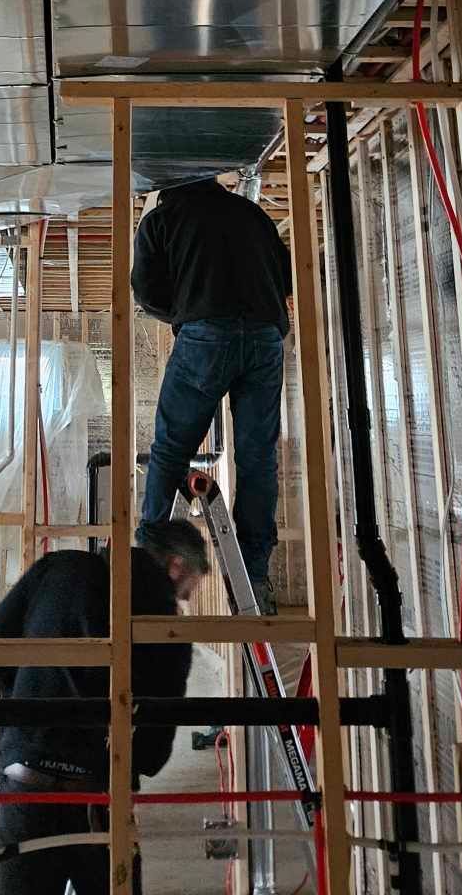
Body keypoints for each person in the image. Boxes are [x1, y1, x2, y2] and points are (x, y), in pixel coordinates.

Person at [0, 521, 209, 893]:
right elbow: (154, 748)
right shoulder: (165, 621)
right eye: (190, 585)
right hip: (96, 791)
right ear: (176, 566)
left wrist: (27, 702)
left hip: (26, 776)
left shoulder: (58, 567)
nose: (187, 597)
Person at [131, 175, 291, 610]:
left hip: (206, 333)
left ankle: (149, 561)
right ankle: (255, 576)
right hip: (265, 337)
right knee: (258, 458)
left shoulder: (163, 219)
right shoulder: (253, 214)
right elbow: (286, 277)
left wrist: (187, 308)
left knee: (170, 450)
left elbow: (146, 292)